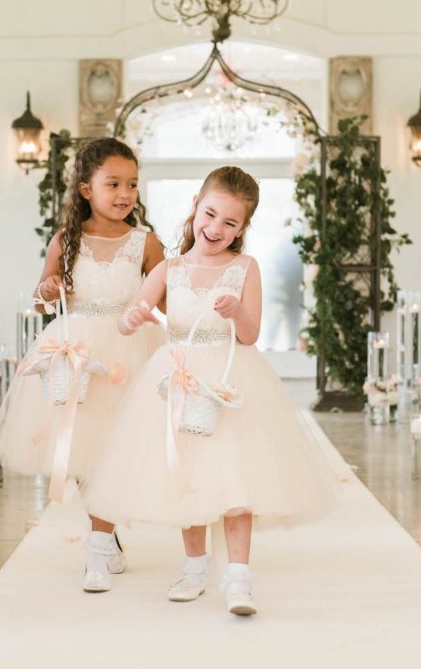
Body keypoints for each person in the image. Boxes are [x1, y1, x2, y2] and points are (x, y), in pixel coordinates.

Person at [80, 166, 338, 617]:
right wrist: (133, 319)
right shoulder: (169, 268)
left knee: (237, 477)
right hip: (177, 378)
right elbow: (131, 315)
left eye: (230, 223)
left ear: (243, 228)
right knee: (189, 475)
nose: (216, 229)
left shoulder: (245, 268)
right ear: (196, 205)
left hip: (228, 380)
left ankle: (239, 576)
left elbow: (251, 334)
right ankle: (195, 566)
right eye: (211, 214)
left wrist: (237, 309)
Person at [0, 138, 165, 592]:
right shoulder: (66, 241)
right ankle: (104, 537)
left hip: (130, 349)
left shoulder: (146, 244)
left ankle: (96, 548)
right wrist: (47, 291)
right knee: (86, 452)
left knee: (115, 447)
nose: (124, 193)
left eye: (131, 184)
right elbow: (39, 299)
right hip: (78, 351)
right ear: (86, 188)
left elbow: (168, 298)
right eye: (113, 183)